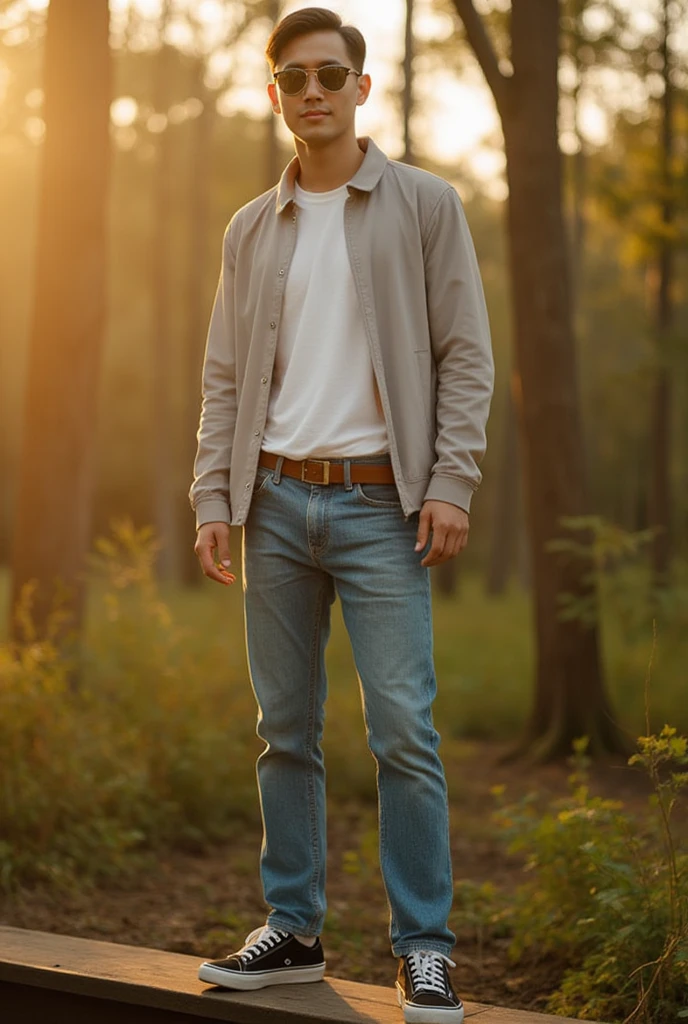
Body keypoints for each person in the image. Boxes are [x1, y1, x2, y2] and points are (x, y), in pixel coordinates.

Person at [190, 8, 494, 1023]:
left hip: (379, 506)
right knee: (284, 729)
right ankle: (295, 928)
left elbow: (466, 353)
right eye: (292, 78)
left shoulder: (422, 205)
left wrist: (451, 479)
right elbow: (225, 378)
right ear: (275, 95)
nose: (311, 92)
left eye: (330, 74)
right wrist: (213, 497)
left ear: (361, 88)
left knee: (402, 729)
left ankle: (424, 949)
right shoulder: (250, 227)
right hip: (272, 500)